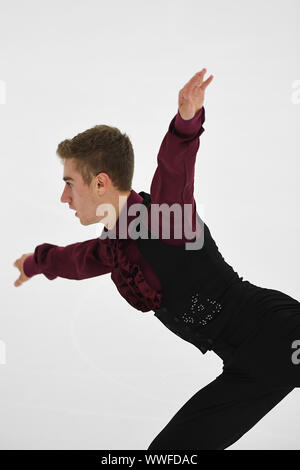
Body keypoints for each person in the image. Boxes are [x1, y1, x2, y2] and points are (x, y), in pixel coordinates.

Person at [13, 69, 300, 450]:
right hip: (244, 369)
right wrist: (34, 263)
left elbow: (175, 171)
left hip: (280, 333)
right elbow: (75, 261)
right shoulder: (114, 245)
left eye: (69, 184)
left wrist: (186, 122)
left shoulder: (167, 220)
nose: (64, 198)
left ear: (100, 183)